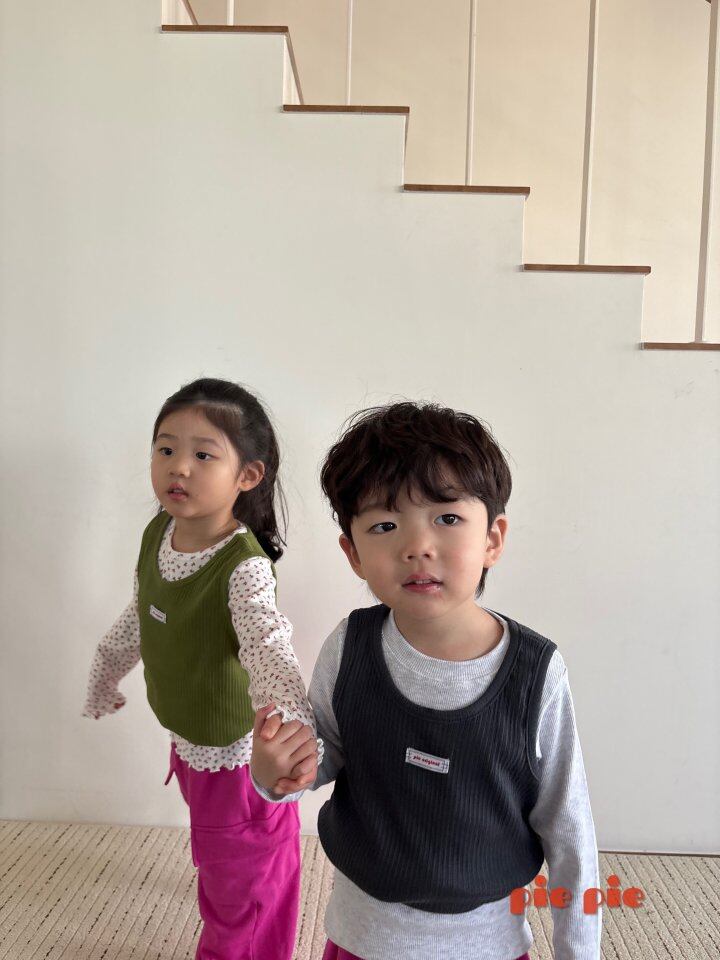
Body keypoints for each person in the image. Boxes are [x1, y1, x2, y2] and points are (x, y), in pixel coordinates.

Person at [251, 401, 602, 960]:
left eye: (447, 518)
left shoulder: (536, 673)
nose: (416, 546)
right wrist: (278, 771)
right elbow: (322, 753)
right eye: (385, 526)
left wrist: (578, 951)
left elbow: (568, 826)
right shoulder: (351, 645)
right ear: (353, 553)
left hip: (488, 945)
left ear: (493, 538)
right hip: (361, 936)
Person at [83, 377, 318, 960]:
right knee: (224, 853)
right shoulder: (159, 533)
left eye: (203, 455)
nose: (179, 467)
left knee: (243, 883)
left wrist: (290, 725)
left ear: (248, 475)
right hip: (190, 741)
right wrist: (105, 672)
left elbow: (268, 647)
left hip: (237, 757)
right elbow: (143, 612)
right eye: (165, 449)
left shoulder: (243, 567)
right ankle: (246, 861)